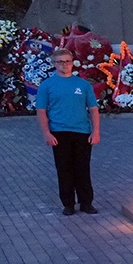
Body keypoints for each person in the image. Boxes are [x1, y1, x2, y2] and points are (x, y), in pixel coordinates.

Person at [36, 47, 100, 215]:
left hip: (82, 132)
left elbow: (93, 109)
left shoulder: (83, 85)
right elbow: (41, 111)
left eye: (67, 61)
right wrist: (47, 133)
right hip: (59, 133)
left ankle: (86, 203)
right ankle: (68, 204)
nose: (64, 65)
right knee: (64, 169)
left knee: (82, 168)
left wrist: (96, 132)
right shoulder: (47, 86)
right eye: (60, 62)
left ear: (72, 63)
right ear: (54, 64)